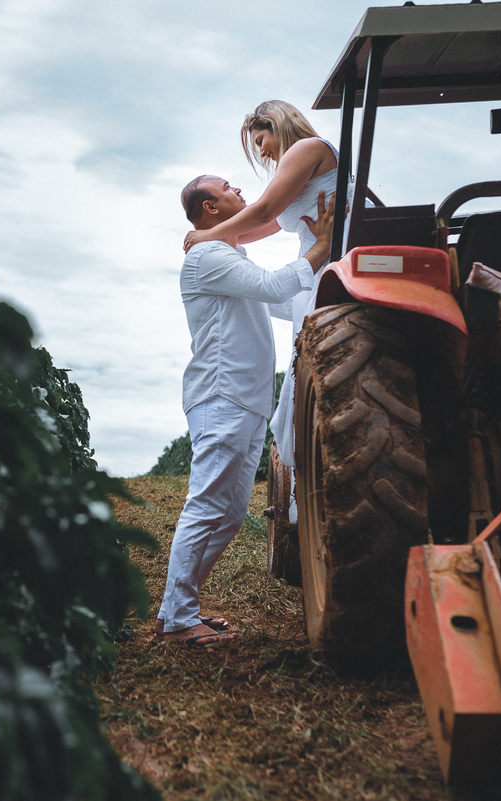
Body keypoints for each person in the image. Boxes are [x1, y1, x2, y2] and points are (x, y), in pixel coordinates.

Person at [156, 175, 334, 646]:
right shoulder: (208, 256)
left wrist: (319, 267)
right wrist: (320, 246)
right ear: (210, 208)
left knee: (232, 514)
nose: (238, 188)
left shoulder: (232, 258)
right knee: (206, 505)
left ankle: (179, 607)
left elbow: (284, 300)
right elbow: (275, 287)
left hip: (246, 400)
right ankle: (178, 619)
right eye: (227, 186)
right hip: (222, 396)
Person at [182, 101, 347, 483]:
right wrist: (217, 243)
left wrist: (207, 235)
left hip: (333, 251)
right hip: (317, 254)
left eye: (260, 140)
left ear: (280, 126)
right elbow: (260, 226)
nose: (261, 152)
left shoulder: (307, 148)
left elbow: (264, 211)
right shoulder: (297, 166)